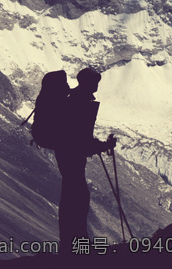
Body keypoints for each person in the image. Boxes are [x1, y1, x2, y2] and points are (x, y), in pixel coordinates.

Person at [55, 67, 116, 251]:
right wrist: (104, 146)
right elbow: (80, 138)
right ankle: (75, 245)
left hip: (68, 154)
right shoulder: (80, 102)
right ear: (86, 82)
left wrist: (100, 146)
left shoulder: (77, 99)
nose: (96, 83)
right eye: (94, 80)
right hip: (72, 156)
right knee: (77, 198)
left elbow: (80, 137)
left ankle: (72, 243)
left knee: (73, 197)